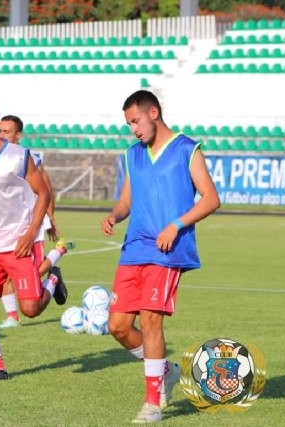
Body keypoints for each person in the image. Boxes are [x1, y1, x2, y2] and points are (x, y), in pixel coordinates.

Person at [101, 90, 220, 423]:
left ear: (153, 112)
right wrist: (114, 215)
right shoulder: (132, 154)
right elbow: (127, 200)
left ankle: (153, 403)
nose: (133, 130)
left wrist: (176, 225)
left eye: (135, 121)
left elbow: (211, 198)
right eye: (129, 125)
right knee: (119, 326)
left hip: (168, 249)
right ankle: (164, 369)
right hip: (134, 248)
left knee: (150, 319)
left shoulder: (186, 149)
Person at [0, 100, 67, 381]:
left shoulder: (18, 156)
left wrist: (31, 233)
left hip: (18, 245)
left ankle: (53, 279)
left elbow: (43, 193)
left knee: (30, 310)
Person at [0, 115, 75, 329]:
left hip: (31, 224)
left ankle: (56, 266)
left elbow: (46, 187)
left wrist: (50, 217)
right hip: (6, 226)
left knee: (35, 270)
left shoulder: (27, 158)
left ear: (18, 135)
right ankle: (12, 317)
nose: (2, 135)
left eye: (7, 132)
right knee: (6, 272)